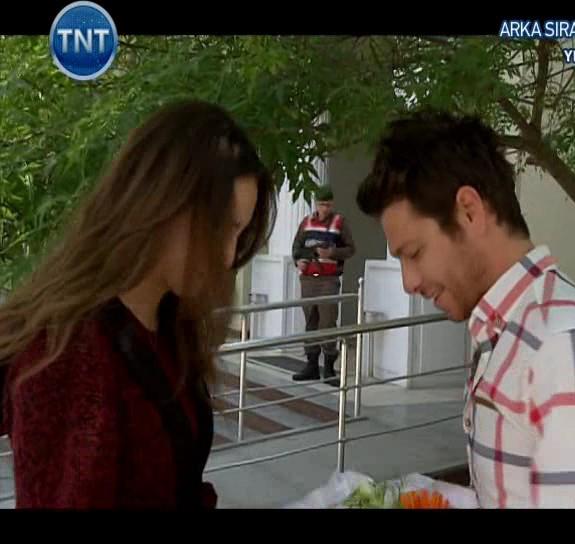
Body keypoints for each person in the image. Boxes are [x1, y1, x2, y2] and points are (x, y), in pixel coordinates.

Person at [355, 110, 575, 508]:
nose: (408, 282)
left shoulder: (568, 349)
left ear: (469, 210)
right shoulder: (509, 333)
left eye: (414, 253)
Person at [0, 100, 276, 509]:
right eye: (223, 229)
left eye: (240, 234)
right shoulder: (71, 350)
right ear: (163, 203)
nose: (228, 256)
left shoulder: (168, 322)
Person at [291, 185, 355, 385]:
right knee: (311, 321)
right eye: (321, 204)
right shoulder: (306, 223)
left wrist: (332, 253)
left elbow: (350, 249)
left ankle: (329, 367)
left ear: (332, 204)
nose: (324, 208)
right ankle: (311, 365)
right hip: (309, 279)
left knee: (327, 321)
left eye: (328, 204)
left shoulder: (339, 223)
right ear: (316, 204)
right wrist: (298, 261)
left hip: (328, 279)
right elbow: (296, 247)